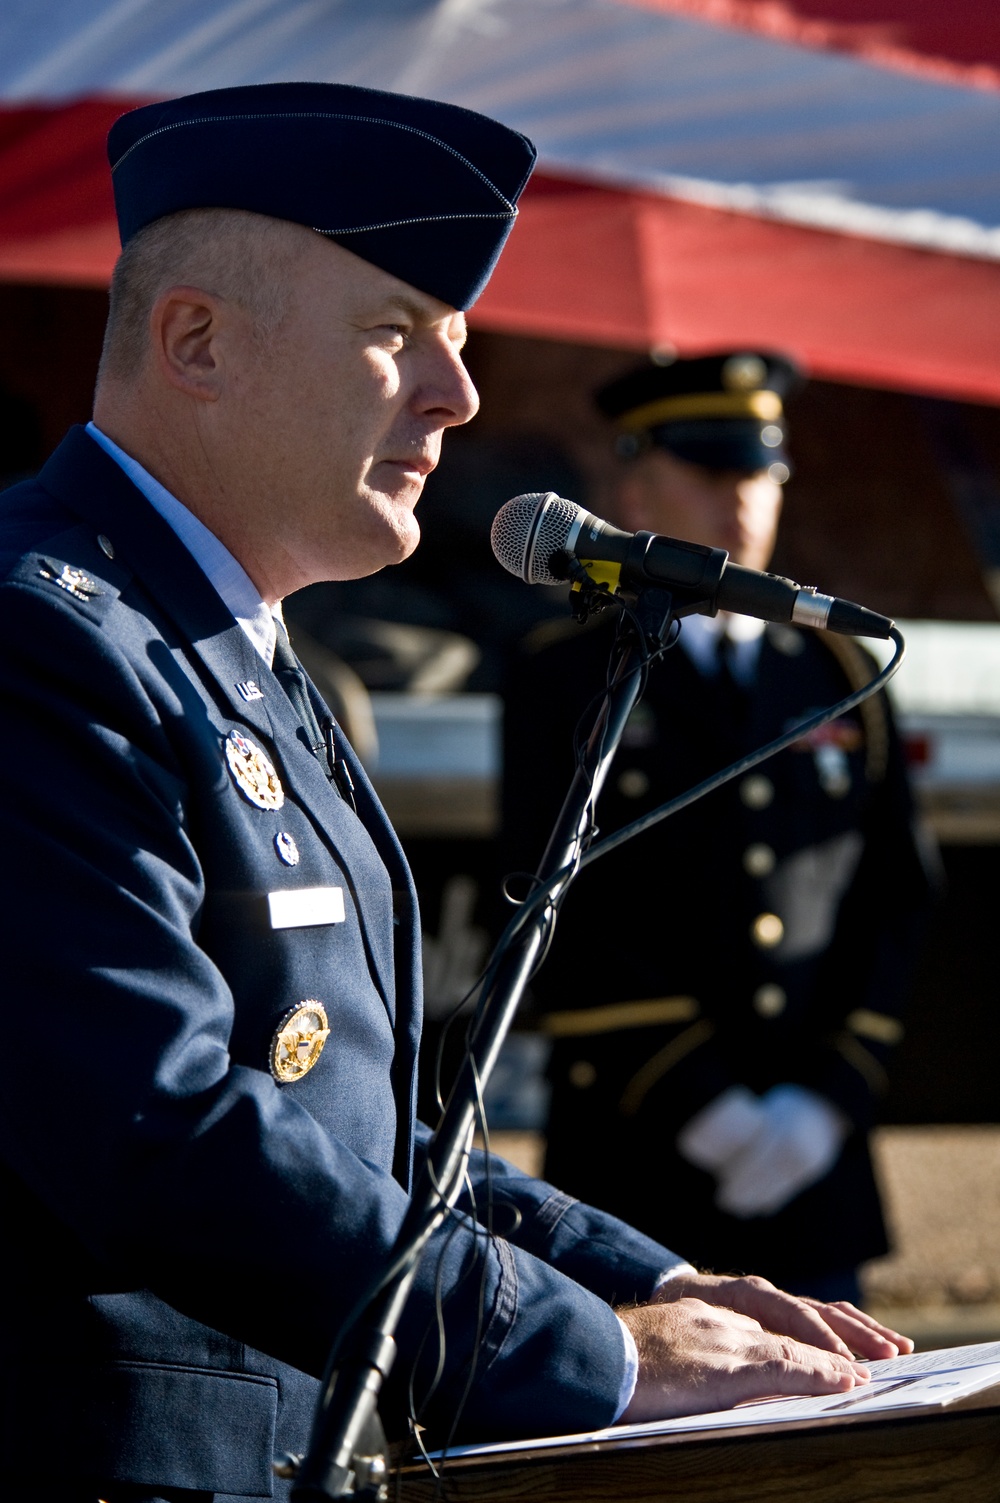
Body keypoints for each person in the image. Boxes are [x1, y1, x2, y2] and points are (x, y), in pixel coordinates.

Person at [0, 92, 909, 1503]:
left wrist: (656, 1278)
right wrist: (597, 1349)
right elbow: (154, 1127)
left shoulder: (226, 645)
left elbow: (358, 1133)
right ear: (197, 342)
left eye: (460, 344)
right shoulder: (42, 639)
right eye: (393, 331)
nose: (459, 396)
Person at [504, 353, 936, 1305]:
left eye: (759, 473)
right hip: (639, 1162)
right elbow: (557, 908)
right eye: (709, 470)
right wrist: (710, 1110)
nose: (739, 500)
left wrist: (830, 1099)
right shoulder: (565, 675)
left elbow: (893, 893)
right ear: (634, 480)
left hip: (813, 1175)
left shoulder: (836, 673)